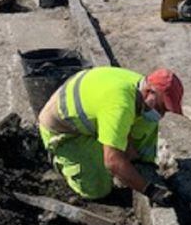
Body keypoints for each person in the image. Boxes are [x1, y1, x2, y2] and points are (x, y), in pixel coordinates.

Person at [38, 66, 183, 205]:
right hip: (65, 130)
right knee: (98, 189)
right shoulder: (120, 106)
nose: (161, 114)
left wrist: (136, 164)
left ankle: (137, 167)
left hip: (96, 108)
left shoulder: (141, 88)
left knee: (148, 123)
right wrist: (150, 191)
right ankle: (61, 160)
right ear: (149, 91)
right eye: (160, 107)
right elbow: (112, 161)